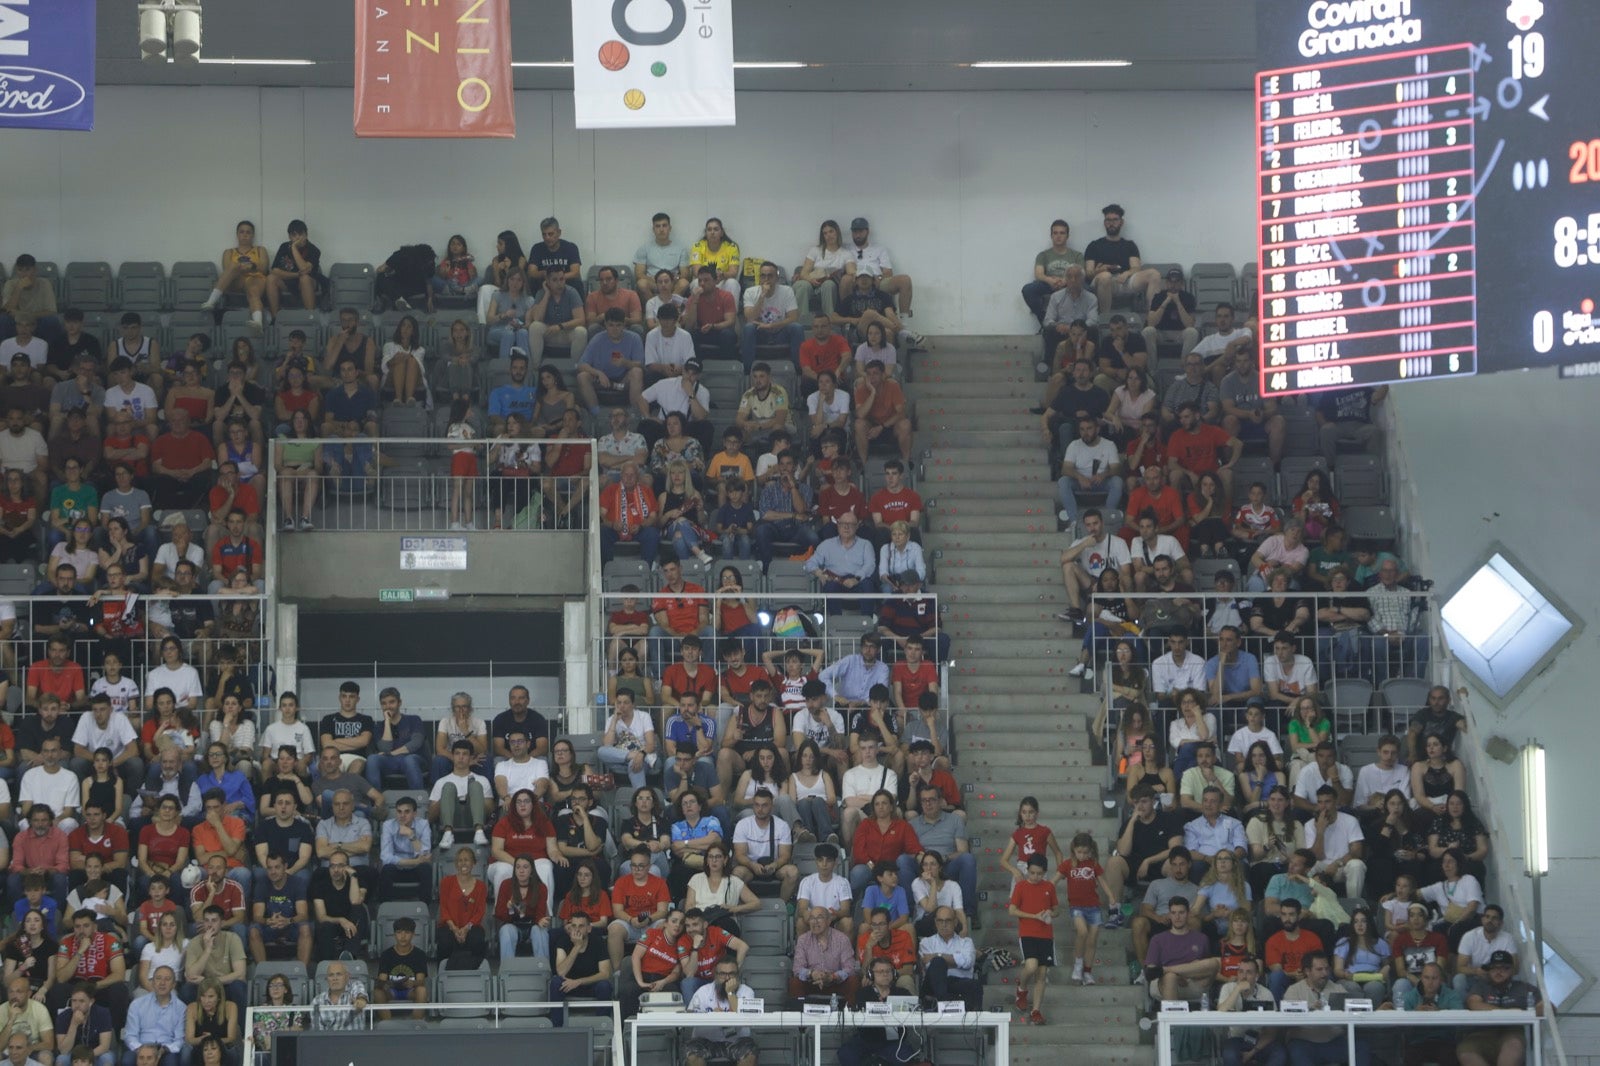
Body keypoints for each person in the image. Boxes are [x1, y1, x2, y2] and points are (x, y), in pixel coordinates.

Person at [1283, 953, 1373, 1066]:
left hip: (1334, 1042)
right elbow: (1287, 1018)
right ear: (1307, 971)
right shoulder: (1294, 990)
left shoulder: (1338, 989)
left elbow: (1354, 1011)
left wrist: (1377, 1010)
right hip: (1305, 1043)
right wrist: (1310, 1009)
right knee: (1296, 1051)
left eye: (1326, 969)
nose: (1325, 973)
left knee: (1361, 1047)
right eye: (1319, 969)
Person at [1083, 204, 1162, 316]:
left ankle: (1152, 319)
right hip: (1102, 281)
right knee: (1105, 276)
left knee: (1154, 274)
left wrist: (1126, 273)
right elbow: (1088, 274)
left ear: (1121, 222)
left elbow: (1136, 268)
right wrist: (1099, 271)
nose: (1111, 223)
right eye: (1108, 220)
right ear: (1104, 223)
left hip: (1124, 280)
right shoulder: (1094, 245)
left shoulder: (1129, 245)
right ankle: (1105, 320)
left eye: (1115, 220)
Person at [1144, 896, 1217, 1003]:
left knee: (1214, 963)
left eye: (1181, 912)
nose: (1177, 917)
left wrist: (1186, 973)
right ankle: (1172, 1018)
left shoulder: (1202, 938)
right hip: (1164, 982)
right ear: (1169, 915)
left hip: (1192, 983)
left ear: (1188, 914)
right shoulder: (1157, 939)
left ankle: (1168, 969)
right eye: (1173, 913)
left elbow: (1206, 968)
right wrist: (1176, 975)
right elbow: (1151, 972)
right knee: (1171, 977)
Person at [1217, 956, 1284, 1066]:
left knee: (1280, 1053)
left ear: (1256, 976)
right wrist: (1238, 989)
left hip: (1260, 1040)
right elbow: (1220, 1011)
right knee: (1229, 1054)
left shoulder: (1266, 993)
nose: (1243, 976)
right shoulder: (1228, 988)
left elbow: (1272, 1030)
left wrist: (1252, 1053)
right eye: (1241, 971)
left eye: (1248, 972)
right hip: (1236, 1039)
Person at [550, 913, 613, 1025]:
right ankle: (557, 1028)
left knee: (605, 986)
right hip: (568, 985)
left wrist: (579, 981)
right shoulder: (563, 941)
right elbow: (561, 972)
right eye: (574, 926)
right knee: (555, 982)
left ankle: (603, 1027)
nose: (577, 930)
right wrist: (577, 947)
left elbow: (605, 973)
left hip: (591, 984)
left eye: (581, 926)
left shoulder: (598, 942)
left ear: (589, 929)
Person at [119, 966, 183, 1066]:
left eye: (167, 979)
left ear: (174, 984)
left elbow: (179, 1039)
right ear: (152, 982)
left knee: (171, 1063)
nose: (162, 983)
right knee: (127, 1061)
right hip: (140, 1046)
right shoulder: (137, 1004)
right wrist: (140, 1049)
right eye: (158, 978)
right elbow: (130, 1035)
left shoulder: (181, 1008)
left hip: (165, 1049)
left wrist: (164, 1050)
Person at [917, 907, 979, 1010]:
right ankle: (945, 1002)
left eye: (948, 920)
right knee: (938, 963)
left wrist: (937, 955)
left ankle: (946, 1003)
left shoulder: (966, 942)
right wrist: (954, 961)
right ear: (935, 922)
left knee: (974, 985)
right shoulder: (926, 942)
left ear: (955, 922)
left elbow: (968, 962)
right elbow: (930, 967)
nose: (943, 924)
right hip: (933, 986)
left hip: (959, 983)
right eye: (940, 921)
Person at [372, 917, 429, 1018]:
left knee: (422, 990)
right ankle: (387, 1024)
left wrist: (413, 983)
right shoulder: (387, 955)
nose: (403, 936)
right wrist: (388, 984)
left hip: (410, 991)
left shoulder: (420, 954)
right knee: (377, 992)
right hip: (392, 990)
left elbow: (421, 981)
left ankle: (416, 1025)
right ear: (394, 934)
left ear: (413, 934)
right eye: (399, 932)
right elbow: (381, 980)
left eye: (407, 932)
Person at [635, 213, 690, 297]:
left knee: (684, 283)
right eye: (658, 226)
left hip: (672, 283)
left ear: (670, 228)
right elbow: (639, 274)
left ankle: (670, 306)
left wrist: (674, 279)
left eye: (664, 225)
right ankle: (654, 308)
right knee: (641, 283)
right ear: (653, 229)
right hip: (653, 283)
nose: (661, 229)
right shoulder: (644, 248)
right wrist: (655, 280)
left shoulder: (681, 248)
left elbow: (685, 274)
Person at [307, 960, 368, 1031]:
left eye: (339, 974)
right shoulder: (317, 1001)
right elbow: (318, 1034)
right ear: (327, 979)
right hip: (329, 1041)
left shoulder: (355, 986)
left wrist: (361, 1000)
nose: (335, 978)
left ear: (347, 977)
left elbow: (361, 994)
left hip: (355, 1040)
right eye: (331, 975)